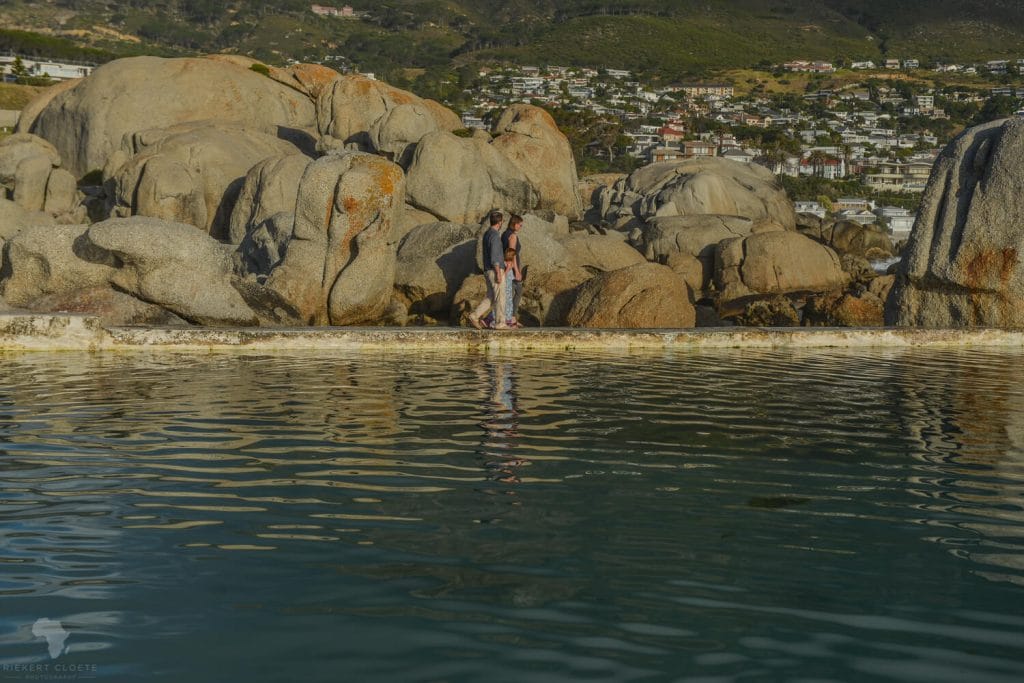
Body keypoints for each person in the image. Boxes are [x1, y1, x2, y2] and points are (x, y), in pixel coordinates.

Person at [468, 210, 505, 329]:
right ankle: (500, 323)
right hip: (495, 270)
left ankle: (474, 316)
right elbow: (495, 257)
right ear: (499, 222)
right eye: (502, 221)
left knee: (491, 297)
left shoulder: (487, 234)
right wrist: (498, 273)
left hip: (488, 270)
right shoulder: (494, 236)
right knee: (500, 297)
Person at [501, 214, 524, 324]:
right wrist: (517, 271)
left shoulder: (504, 234)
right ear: (514, 224)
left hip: (506, 266)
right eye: (520, 225)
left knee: (510, 294)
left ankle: (510, 318)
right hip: (511, 267)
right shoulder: (513, 236)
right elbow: (512, 254)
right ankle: (512, 318)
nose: (521, 227)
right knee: (517, 291)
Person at [493, 247, 520, 329]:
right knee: (505, 303)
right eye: (514, 256)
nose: (515, 257)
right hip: (505, 287)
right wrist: (508, 269)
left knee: (509, 303)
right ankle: (501, 320)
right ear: (511, 256)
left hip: (509, 287)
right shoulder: (504, 264)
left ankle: (509, 320)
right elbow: (502, 276)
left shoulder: (510, 263)